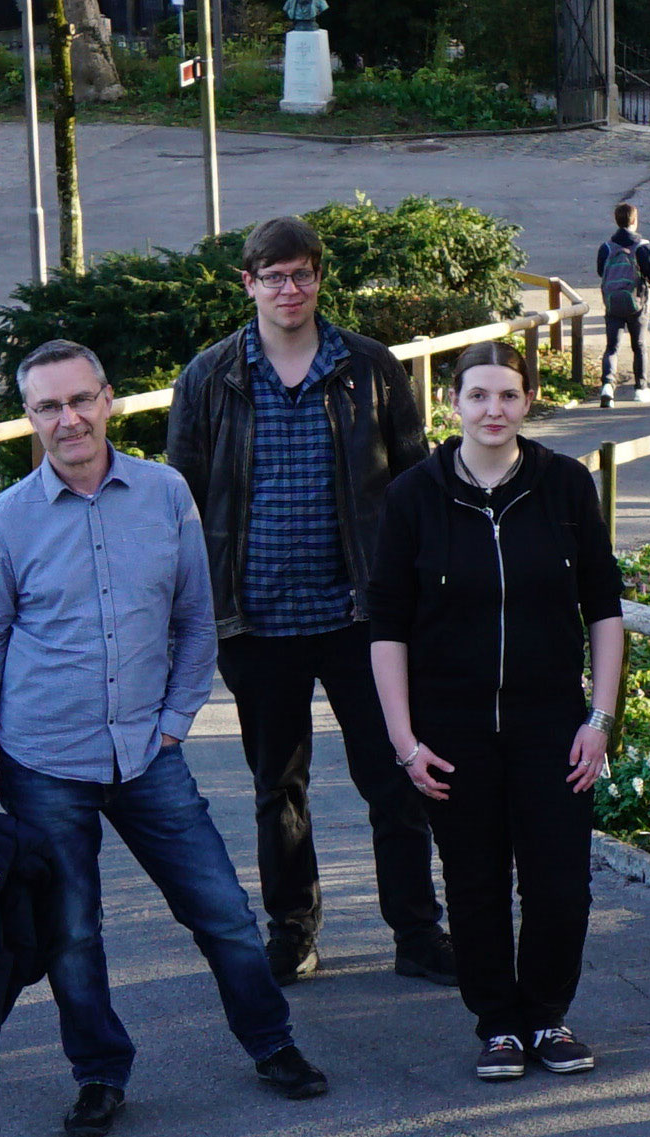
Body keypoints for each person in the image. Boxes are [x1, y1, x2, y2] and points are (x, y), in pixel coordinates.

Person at [0, 339, 331, 1137]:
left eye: (80, 399)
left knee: (220, 908)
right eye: (48, 406)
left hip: (148, 754)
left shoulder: (163, 493)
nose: (68, 418)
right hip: (45, 762)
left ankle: (272, 1043)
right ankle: (99, 1075)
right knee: (72, 933)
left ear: (109, 399)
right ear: (30, 417)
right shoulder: (9, 520)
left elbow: (196, 619)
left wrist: (176, 719)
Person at [166, 215, 453, 986]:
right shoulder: (209, 378)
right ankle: (293, 931)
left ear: (320, 278)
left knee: (394, 779)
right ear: (249, 284)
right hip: (253, 622)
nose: (288, 289)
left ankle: (417, 932)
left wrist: (419, 598)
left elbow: (412, 484)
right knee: (277, 788)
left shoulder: (370, 368)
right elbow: (182, 499)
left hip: (362, 620)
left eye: (301, 274)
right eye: (273, 276)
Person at [369, 343, 624, 1081]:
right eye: (478, 396)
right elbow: (386, 624)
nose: (493, 410)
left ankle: (547, 1016)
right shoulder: (413, 495)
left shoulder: (564, 486)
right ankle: (499, 1025)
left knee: (559, 884)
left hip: (552, 724)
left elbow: (603, 608)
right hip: (451, 730)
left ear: (529, 400)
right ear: (453, 403)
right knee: (475, 882)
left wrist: (599, 720)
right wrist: (404, 741)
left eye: (508, 395)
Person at [595, 200, 650, 408]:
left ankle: (607, 387)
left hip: (612, 303)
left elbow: (602, 272)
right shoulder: (644, 247)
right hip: (637, 303)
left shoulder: (606, 247)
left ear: (617, 221)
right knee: (639, 345)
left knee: (612, 347)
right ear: (634, 221)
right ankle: (640, 388)